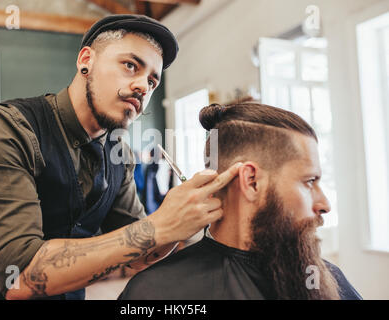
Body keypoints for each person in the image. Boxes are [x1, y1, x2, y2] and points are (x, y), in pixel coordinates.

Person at [0, 14, 241, 300]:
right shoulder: (7, 129)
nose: (142, 86)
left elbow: (142, 255)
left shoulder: (118, 154)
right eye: (129, 65)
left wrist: (182, 221)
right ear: (86, 60)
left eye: (152, 81)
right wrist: (160, 225)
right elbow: (19, 276)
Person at [118, 98, 362, 300]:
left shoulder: (326, 279)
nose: (325, 204)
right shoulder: (156, 293)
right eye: (309, 182)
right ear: (252, 181)